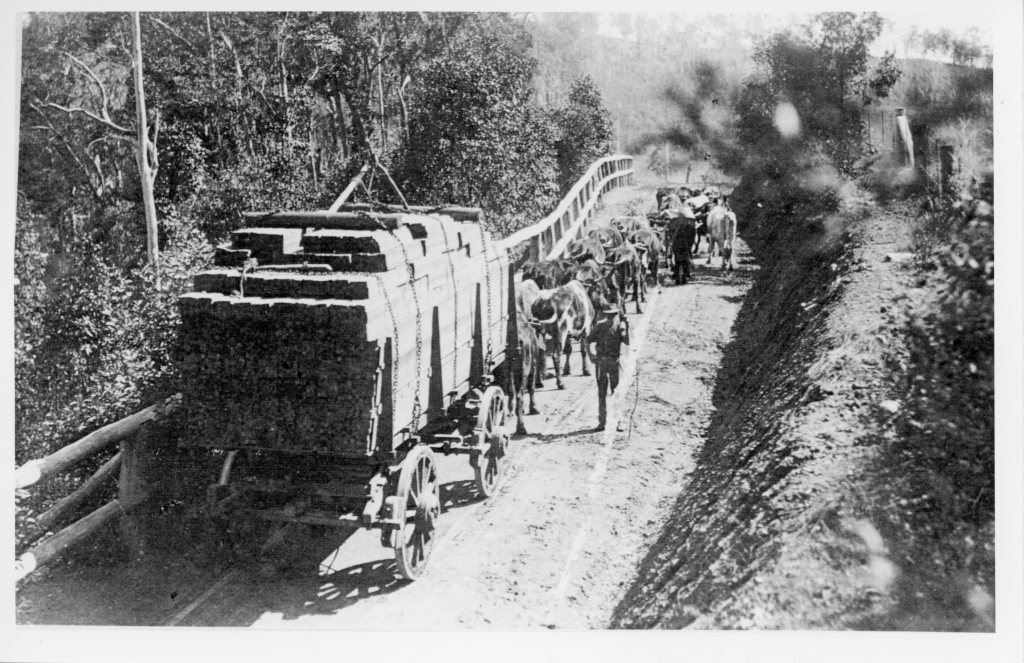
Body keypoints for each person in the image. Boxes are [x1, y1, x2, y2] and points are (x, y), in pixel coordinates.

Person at [586, 298, 630, 432]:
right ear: (605, 315)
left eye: (613, 315)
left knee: (616, 392)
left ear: (616, 314)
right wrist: (591, 356)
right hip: (601, 363)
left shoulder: (619, 327)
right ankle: (602, 421)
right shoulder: (599, 327)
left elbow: (627, 341)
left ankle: (619, 421)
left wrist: (627, 325)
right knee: (602, 393)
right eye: (609, 315)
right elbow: (588, 341)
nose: (611, 317)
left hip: (614, 362)